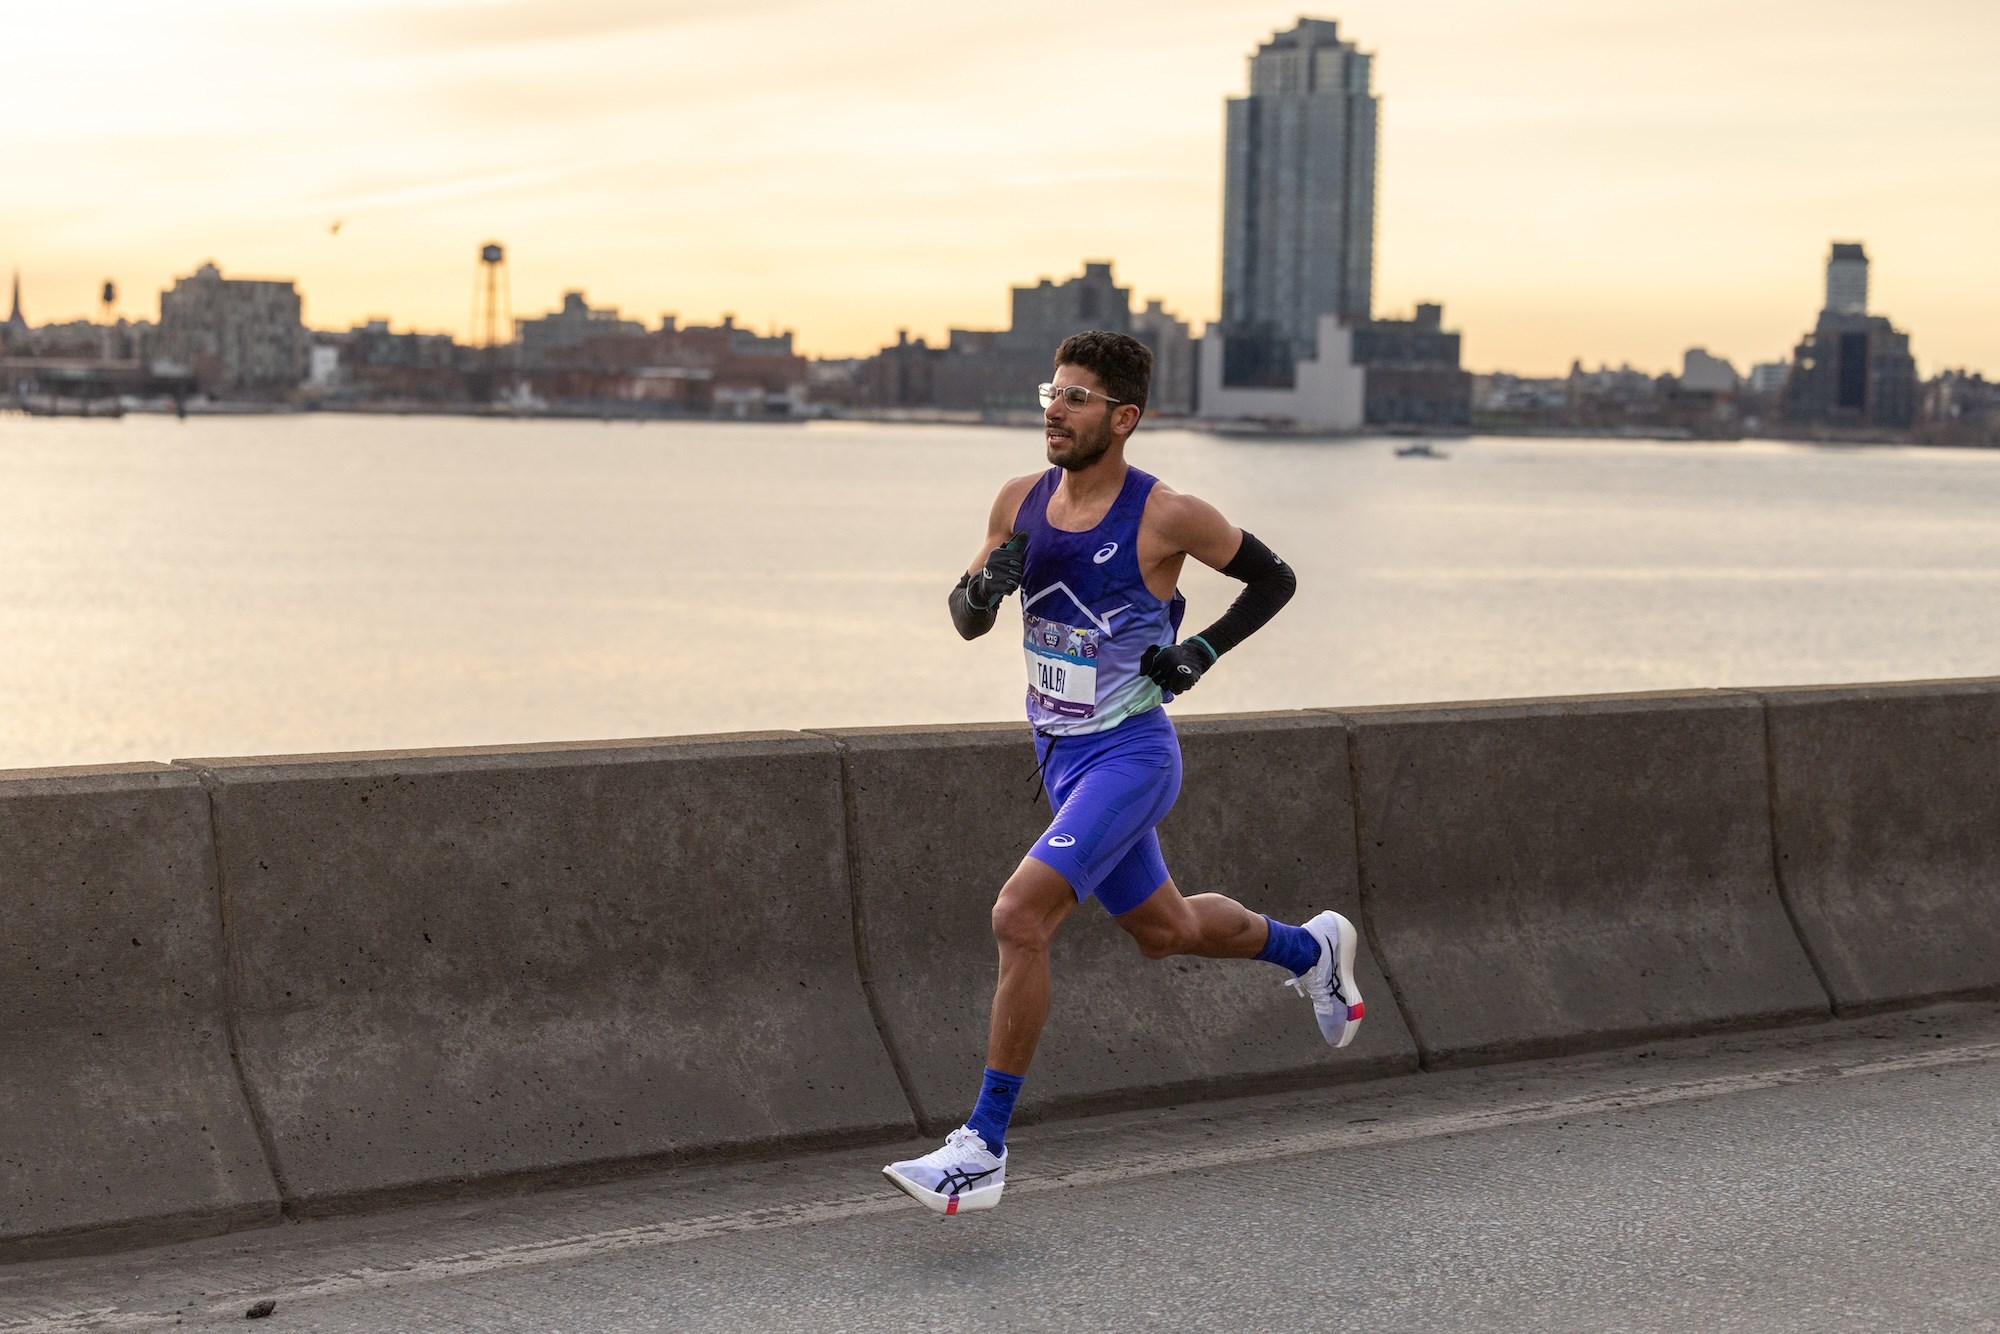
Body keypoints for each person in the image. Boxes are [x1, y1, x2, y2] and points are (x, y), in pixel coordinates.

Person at [882, 331, 1363, 1217]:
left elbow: (1276, 578)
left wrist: (1202, 651)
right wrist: (987, 589)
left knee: (1019, 916)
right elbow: (963, 620)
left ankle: (981, 1148)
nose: (1053, 412)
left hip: (1131, 755)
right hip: (1057, 757)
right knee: (1165, 930)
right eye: (1050, 394)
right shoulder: (1019, 500)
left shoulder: (1164, 514)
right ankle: (1313, 948)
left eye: (1075, 398)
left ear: (1124, 416)